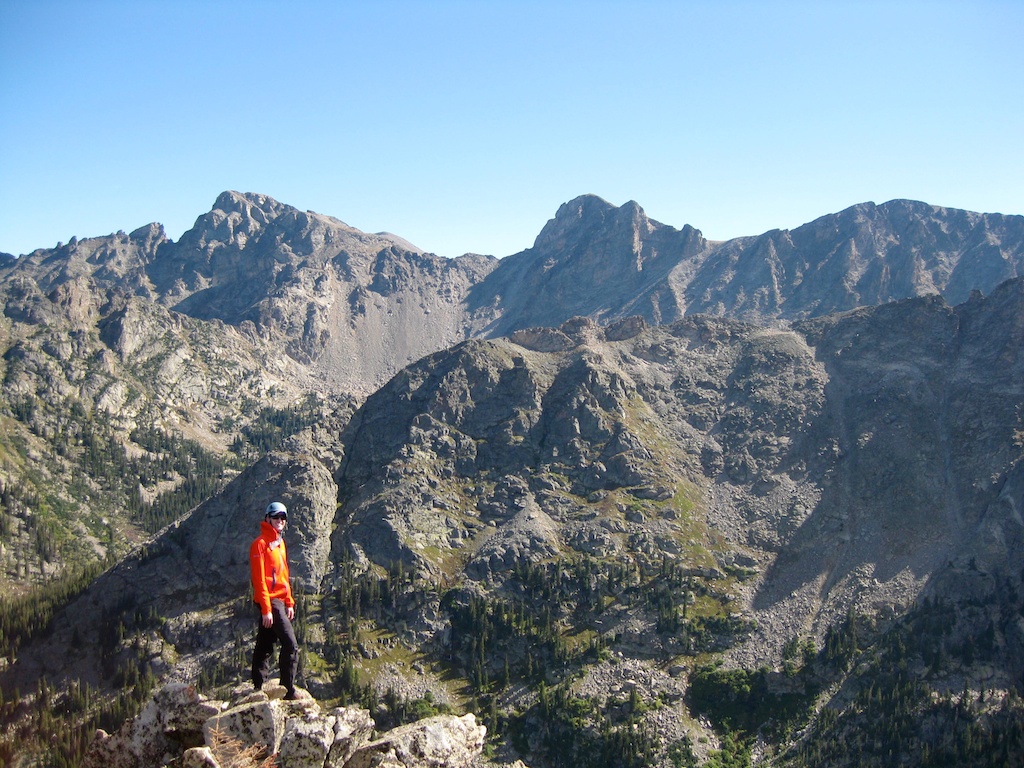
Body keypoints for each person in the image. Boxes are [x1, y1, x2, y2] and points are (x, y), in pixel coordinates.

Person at [250, 501, 299, 699]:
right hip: (269, 600)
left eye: (283, 517)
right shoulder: (260, 544)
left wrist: (289, 601)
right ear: (267, 518)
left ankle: (258, 685)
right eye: (276, 516)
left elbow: (284, 575)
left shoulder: (279, 543)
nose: (280, 520)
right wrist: (266, 609)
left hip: (279, 600)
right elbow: (259, 579)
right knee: (291, 645)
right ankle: (287, 690)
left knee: (265, 643)